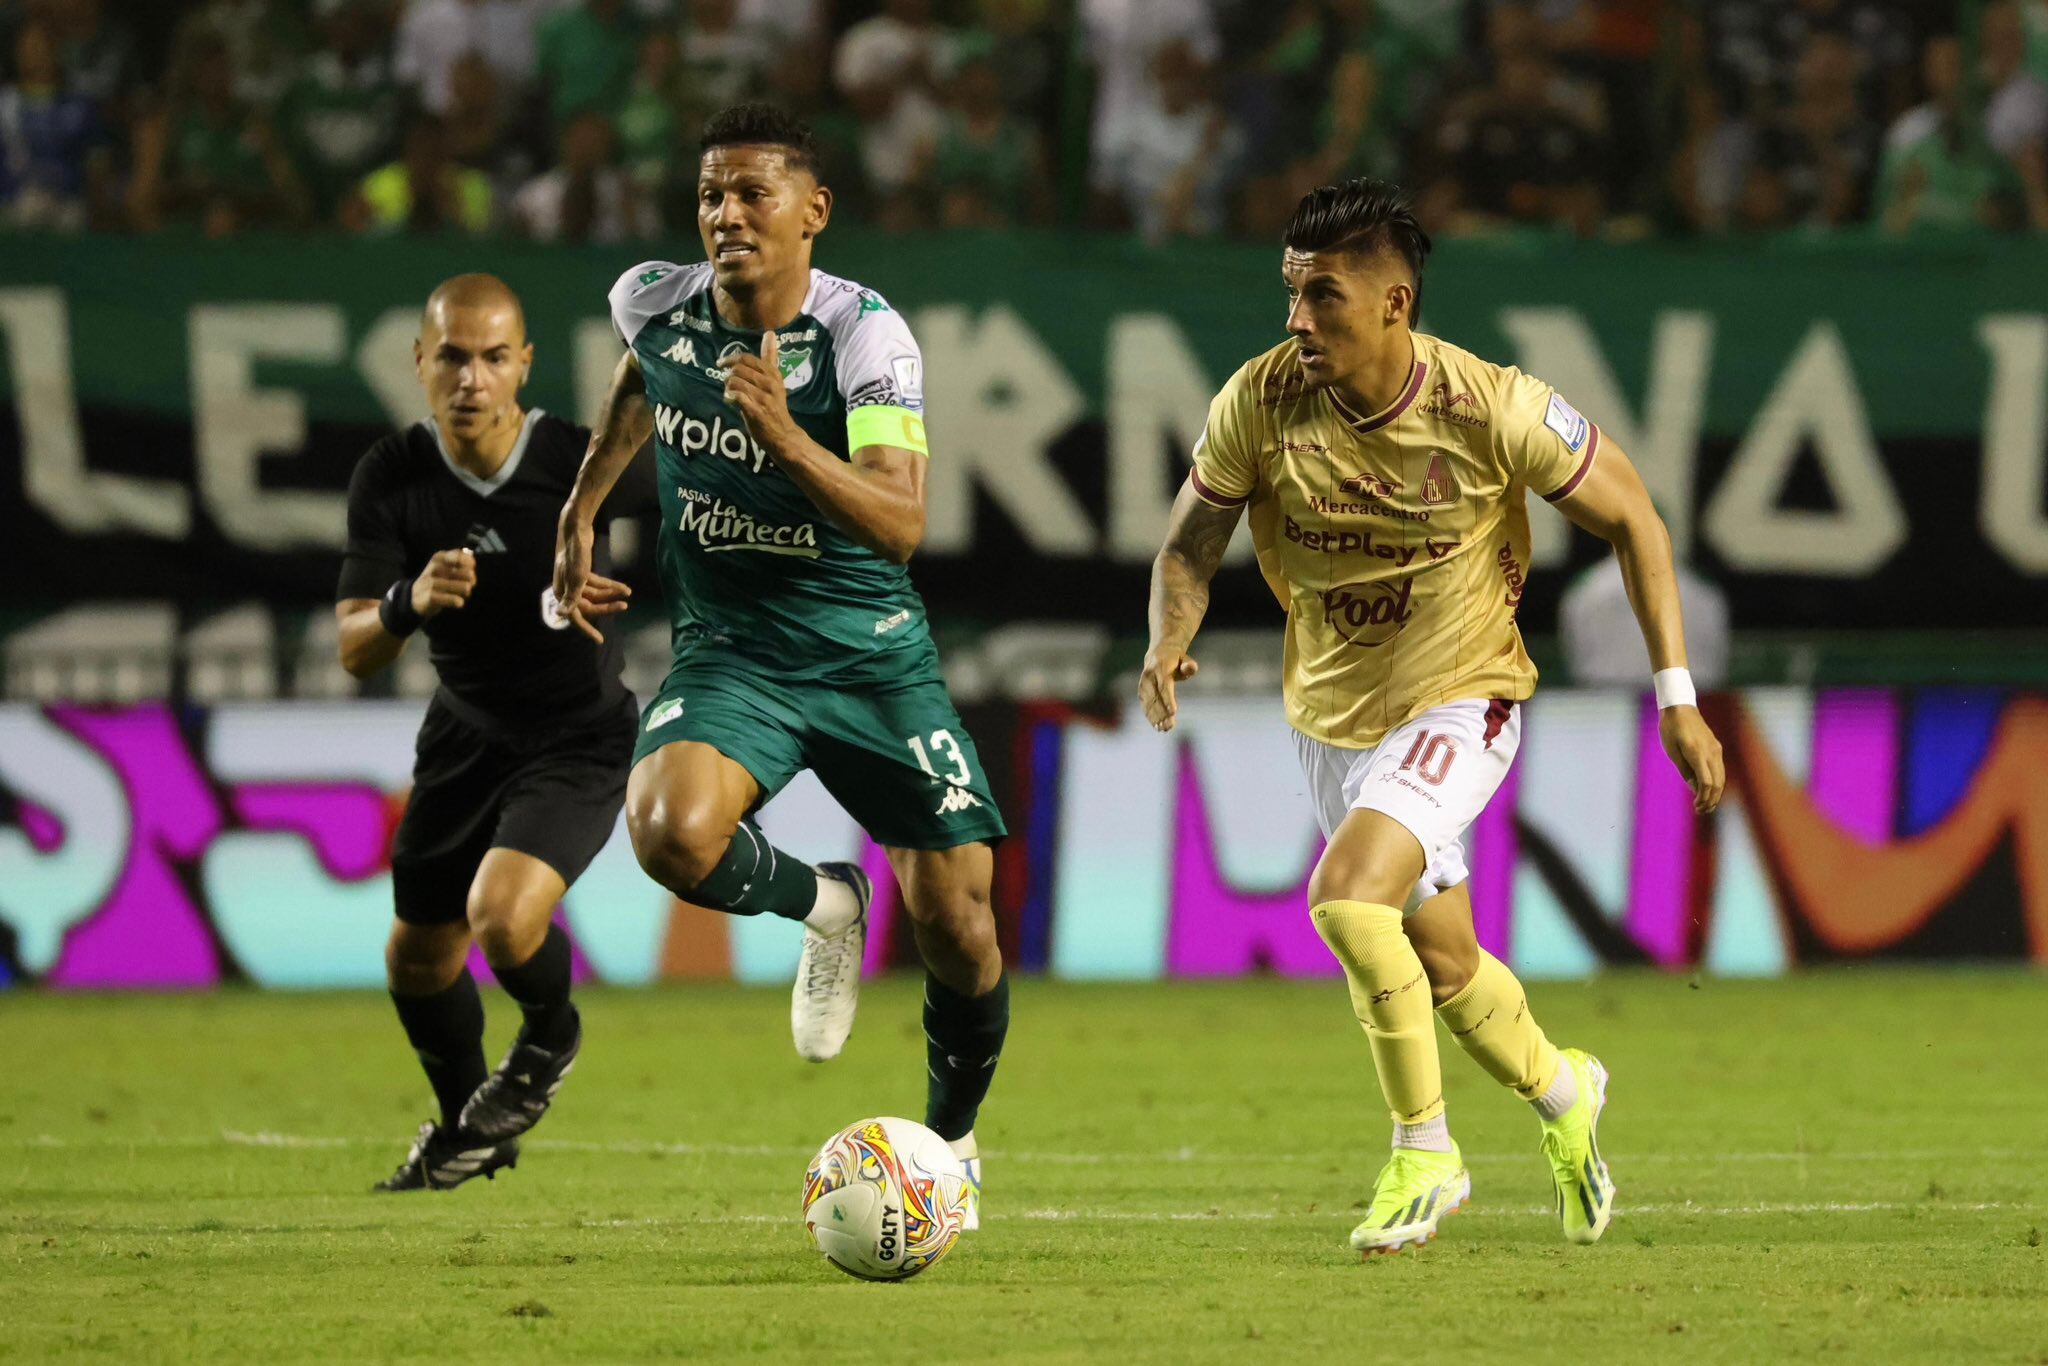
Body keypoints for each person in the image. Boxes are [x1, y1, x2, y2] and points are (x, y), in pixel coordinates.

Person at [1140, 178, 1724, 1255]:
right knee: (1442, 961)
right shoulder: (1257, 402)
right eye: (1289, 295)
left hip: (1464, 694)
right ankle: (1563, 1091)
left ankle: (1424, 1150)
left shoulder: (1490, 406)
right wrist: (1166, 633)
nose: (1295, 322)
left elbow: (1635, 518)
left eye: (1322, 298)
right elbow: (1187, 545)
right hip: (1329, 717)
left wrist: (1676, 699)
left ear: (1395, 304)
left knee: (1346, 900)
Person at [551, 102, 1009, 1227]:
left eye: (753, 194)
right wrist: (582, 504)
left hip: (868, 658)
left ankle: (948, 1147)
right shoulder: (652, 302)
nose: (727, 216)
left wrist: (786, 437)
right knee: (667, 831)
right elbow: (638, 384)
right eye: (711, 194)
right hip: (733, 654)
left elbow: (902, 524)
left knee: (959, 918)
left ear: (813, 212)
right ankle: (825, 901)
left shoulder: (865, 337)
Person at [337, 274, 638, 1191]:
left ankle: (552, 1036)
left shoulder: (577, 463)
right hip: (464, 737)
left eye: (494, 358)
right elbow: (355, 647)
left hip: (576, 737)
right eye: (454, 358)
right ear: (420, 362)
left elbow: (695, 537)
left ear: (524, 365)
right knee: (417, 958)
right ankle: (472, 1129)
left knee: (502, 920)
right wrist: (407, 601)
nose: (473, 378)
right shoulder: (392, 476)